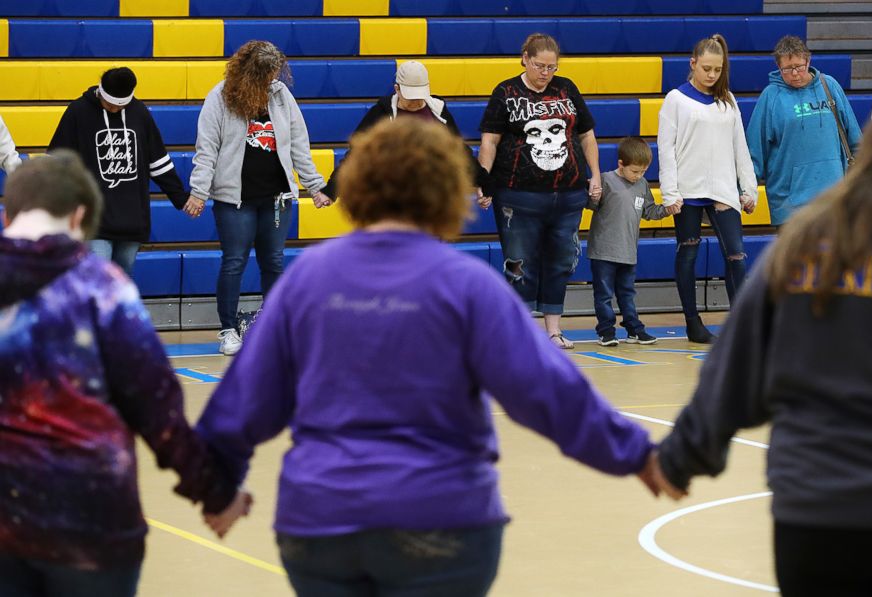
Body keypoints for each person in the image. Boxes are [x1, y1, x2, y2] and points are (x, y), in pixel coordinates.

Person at [195, 118, 665, 597]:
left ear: (359, 187)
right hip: (443, 518)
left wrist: (218, 485)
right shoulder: (467, 285)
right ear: (446, 191)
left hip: (321, 520)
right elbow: (546, 392)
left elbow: (244, 399)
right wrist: (636, 454)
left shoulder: (307, 279)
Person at [656, 90, 872, 595]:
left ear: (871, 151)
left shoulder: (804, 243)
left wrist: (683, 457)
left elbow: (735, 373)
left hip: (818, 514)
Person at [0, 151, 249, 597]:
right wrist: (215, 492)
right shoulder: (104, 290)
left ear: (8, 212)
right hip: (94, 523)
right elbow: (160, 413)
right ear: (79, 217)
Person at [188, 40, 332, 356]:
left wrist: (314, 185)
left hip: (277, 197)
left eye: (276, 72)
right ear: (251, 72)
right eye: (267, 73)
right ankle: (228, 329)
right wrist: (199, 191)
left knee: (274, 262)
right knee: (234, 262)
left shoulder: (281, 96)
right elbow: (207, 147)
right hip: (234, 198)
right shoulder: (221, 96)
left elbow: (298, 144)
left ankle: (273, 326)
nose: (273, 78)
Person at [478, 33, 602, 349]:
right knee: (519, 262)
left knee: (561, 261)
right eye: (539, 66)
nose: (545, 73)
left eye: (552, 67)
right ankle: (520, 330)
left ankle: (554, 329)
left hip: (569, 193)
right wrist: (484, 181)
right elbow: (490, 141)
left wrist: (596, 175)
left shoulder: (567, 88)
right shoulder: (505, 91)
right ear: (525, 59)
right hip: (517, 195)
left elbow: (587, 135)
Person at [657, 34, 758, 344]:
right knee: (688, 254)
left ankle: (741, 324)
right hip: (687, 190)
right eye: (706, 69)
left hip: (724, 190)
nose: (712, 75)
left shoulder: (728, 101)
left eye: (717, 69)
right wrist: (670, 192)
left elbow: (740, 147)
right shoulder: (675, 99)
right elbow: (667, 148)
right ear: (693, 64)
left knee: (736, 256)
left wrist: (749, 188)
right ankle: (692, 322)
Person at [48, 67, 195, 276]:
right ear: (101, 93)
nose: (115, 110)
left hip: (132, 217)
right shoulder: (78, 112)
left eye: (121, 105)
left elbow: (158, 161)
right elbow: (57, 161)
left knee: (121, 279)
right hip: (93, 217)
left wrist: (180, 198)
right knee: (100, 277)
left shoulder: (139, 113)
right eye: (110, 105)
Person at [323, 60, 483, 201]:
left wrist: (483, 182)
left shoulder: (438, 111)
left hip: (432, 196)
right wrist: (332, 190)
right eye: (410, 96)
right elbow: (357, 153)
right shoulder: (381, 113)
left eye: (418, 95)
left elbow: (459, 150)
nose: (415, 101)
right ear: (396, 89)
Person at [746, 35, 862, 226]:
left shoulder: (829, 86)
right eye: (787, 69)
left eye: (799, 67)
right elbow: (755, 152)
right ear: (778, 67)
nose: (794, 74)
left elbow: (854, 138)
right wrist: (747, 191)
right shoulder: (770, 97)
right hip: (790, 207)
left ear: (808, 61)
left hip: (834, 201)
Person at [586, 136, 674, 346]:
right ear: (621, 164)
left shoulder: (642, 184)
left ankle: (634, 329)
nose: (639, 176)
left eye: (643, 172)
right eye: (635, 171)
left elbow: (649, 211)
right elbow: (591, 206)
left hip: (628, 252)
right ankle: (606, 330)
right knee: (604, 294)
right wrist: (593, 196)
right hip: (603, 251)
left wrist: (667, 210)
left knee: (627, 293)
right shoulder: (606, 180)